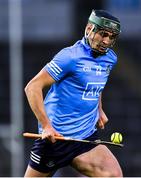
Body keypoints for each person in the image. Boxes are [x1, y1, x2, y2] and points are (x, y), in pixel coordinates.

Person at [24, 9, 123, 177]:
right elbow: (32, 87)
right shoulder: (69, 57)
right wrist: (46, 126)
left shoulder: (110, 59)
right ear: (89, 29)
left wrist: (99, 109)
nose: (106, 41)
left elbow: (96, 83)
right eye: (103, 34)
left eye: (111, 37)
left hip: (85, 137)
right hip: (56, 138)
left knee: (113, 174)